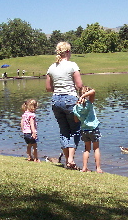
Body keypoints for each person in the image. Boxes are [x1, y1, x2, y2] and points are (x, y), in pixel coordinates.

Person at [46, 41, 83, 170]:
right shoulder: (72, 65)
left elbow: (48, 88)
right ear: (67, 52)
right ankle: (71, 160)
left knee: (63, 130)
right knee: (75, 130)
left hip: (56, 100)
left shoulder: (51, 67)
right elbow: (79, 85)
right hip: (70, 99)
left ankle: (68, 160)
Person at [73, 86, 103, 173]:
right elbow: (93, 91)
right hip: (93, 128)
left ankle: (84, 167)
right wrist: (83, 97)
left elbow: (76, 120)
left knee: (87, 149)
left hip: (84, 130)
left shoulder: (76, 107)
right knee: (96, 149)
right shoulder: (89, 103)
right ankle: (98, 168)